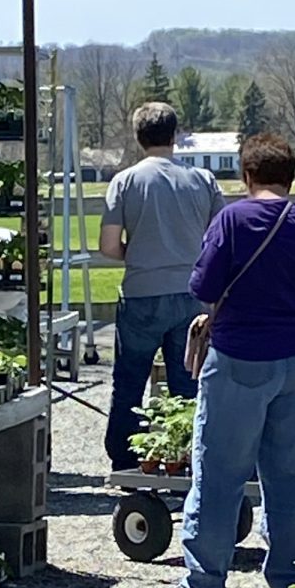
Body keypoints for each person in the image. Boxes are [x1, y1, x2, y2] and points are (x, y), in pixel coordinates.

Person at [163, 133, 295, 588]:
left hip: (243, 357)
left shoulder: (231, 220)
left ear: (246, 175)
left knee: (219, 470)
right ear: (290, 177)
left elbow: (203, 287)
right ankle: (291, 582)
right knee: (290, 474)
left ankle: (205, 583)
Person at [100, 102, 224, 471]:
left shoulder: (125, 181)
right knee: (188, 383)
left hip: (141, 291)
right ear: (175, 135)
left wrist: (138, 254)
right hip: (192, 294)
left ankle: (124, 460)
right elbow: (220, 240)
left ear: (139, 138)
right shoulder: (203, 180)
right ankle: (186, 459)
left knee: (129, 382)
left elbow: (108, 246)